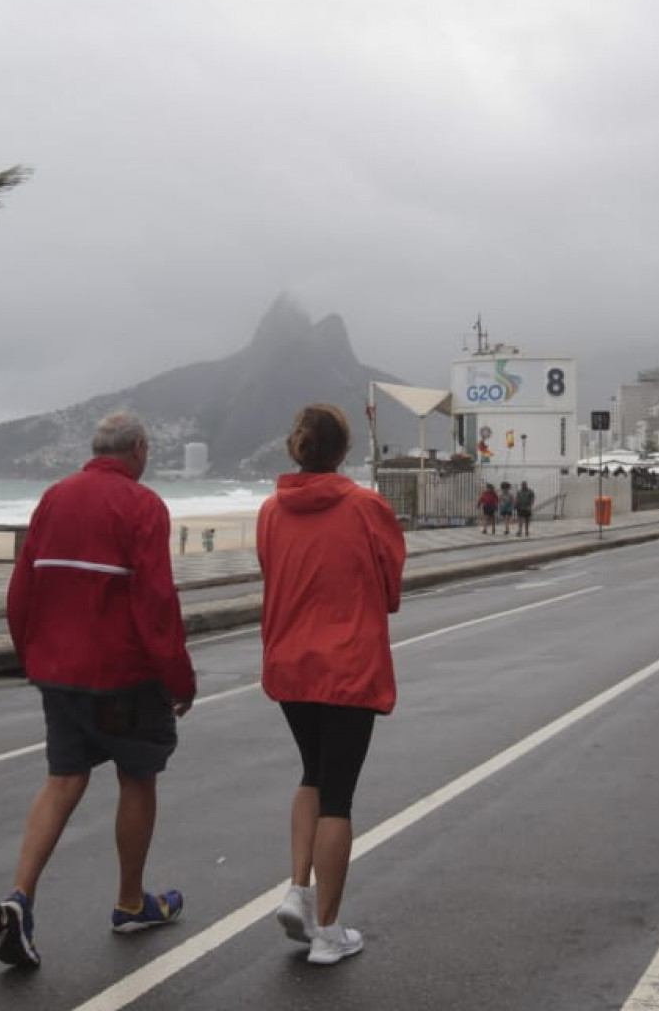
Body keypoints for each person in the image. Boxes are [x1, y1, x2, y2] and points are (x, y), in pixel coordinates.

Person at [0, 411, 197, 970]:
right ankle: (131, 902)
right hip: (125, 676)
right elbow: (155, 603)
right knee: (137, 778)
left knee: (63, 780)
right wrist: (179, 678)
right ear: (137, 449)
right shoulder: (143, 505)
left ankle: (21, 897)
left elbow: (22, 588)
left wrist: (29, 656)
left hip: (58, 671)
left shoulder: (54, 498)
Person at [256, 404, 406, 966]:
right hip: (347, 666)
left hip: (290, 664)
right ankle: (327, 930)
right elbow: (390, 587)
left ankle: (299, 888)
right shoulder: (367, 507)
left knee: (312, 774)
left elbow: (272, 574)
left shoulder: (271, 511)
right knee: (338, 793)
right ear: (343, 452)